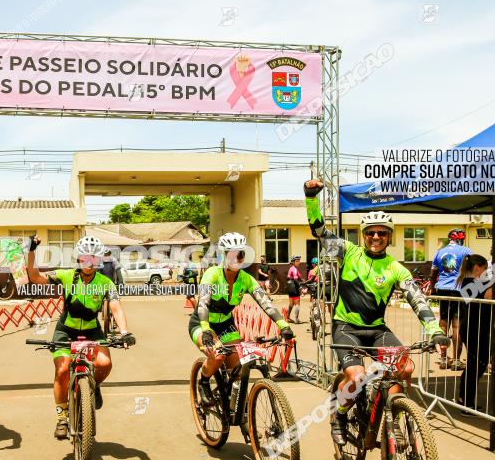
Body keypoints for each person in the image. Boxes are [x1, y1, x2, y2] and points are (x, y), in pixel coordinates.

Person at [303, 179, 449, 446]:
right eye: (371, 232)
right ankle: (341, 412)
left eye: (382, 233)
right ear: (364, 235)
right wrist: (311, 199)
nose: (376, 237)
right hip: (346, 327)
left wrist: (436, 331)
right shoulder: (348, 253)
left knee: (404, 367)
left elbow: (418, 300)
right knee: (357, 378)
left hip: (377, 330)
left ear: (389, 237)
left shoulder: (396, 268)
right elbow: (320, 232)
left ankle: (389, 413)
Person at [25, 235, 135, 439]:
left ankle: (94, 385)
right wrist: (31, 251)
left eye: (94, 258)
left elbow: (116, 308)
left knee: (104, 364)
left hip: (92, 331)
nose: (89, 262)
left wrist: (124, 332)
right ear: (78, 258)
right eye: (85, 257)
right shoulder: (66, 276)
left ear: (99, 260)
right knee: (63, 370)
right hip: (66, 330)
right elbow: (35, 276)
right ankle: (62, 418)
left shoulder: (105, 282)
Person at [190, 232, 295, 399]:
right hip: (203, 324)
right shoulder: (212, 274)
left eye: (241, 254)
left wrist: (284, 326)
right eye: (232, 254)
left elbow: (266, 303)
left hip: (226, 324)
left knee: (238, 368)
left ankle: (236, 406)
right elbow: (202, 304)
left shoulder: (246, 279)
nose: (237, 258)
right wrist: (207, 331)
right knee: (217, 356)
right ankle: (203, 382)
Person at [456, 254, 495, 414]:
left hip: (476, 328)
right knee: (476, 366)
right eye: (485, 269)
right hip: (475, 329)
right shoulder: (472, 284)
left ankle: (464, 399)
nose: (487, 272)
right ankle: (465, 402)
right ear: (477, 268)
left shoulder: (472, 282)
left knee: (476, 365)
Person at [431, 229, 472, 370]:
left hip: (442, 289)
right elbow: (473, 271)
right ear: (462, 239)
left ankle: (443, 359)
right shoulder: (466, 251)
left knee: (443, 322)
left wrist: (432, 288)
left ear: (450, 239)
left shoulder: (440, 252)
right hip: (458, 290)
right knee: (457, 325)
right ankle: (455, 360)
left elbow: (433, 272)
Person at [286, 256, 303, 323]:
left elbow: (298, 278)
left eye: (299, 261)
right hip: (294, 287)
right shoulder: (294, 269)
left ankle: (287, 317)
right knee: (297, 304)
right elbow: (296, 279)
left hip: (289, 287)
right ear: (293, 262)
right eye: (297, 261)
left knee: (291, 304)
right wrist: (300, 286)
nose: (299, 262)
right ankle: (296, 319)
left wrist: (303, 281)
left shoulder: (292, 268)